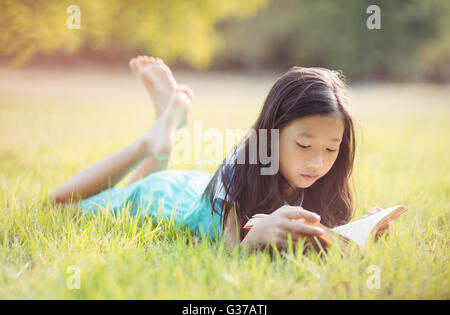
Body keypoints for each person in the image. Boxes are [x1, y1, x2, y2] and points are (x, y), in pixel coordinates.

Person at [49, 56, 387, 253]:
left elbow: (325, 239)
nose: (317, 162)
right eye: (303, 145)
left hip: (195, 190)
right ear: (271, 136)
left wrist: (360, 233)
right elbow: (230, 253)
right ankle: (151, 141)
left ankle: (166, 122)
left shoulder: (321, 182)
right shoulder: (242, 165)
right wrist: (255, 239)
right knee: (63, 203)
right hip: (165, 199)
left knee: (144, 179)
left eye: (331, 148)